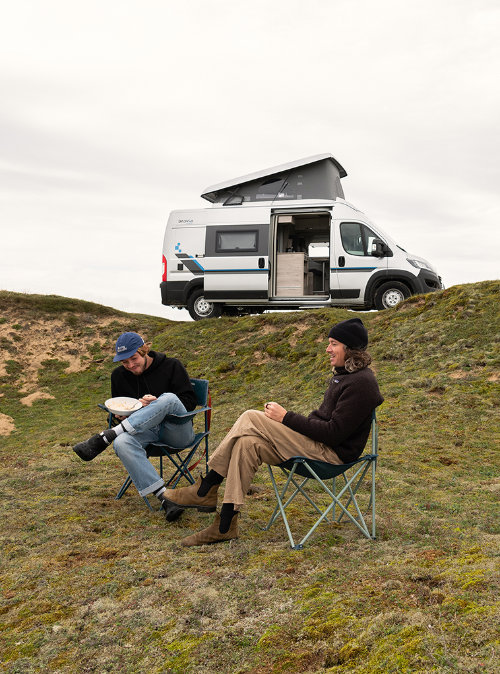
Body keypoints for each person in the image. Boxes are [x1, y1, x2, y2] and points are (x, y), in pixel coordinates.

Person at [162, 318, 384, 546]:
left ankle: (206, 488)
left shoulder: (362, 383)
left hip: (331, 455)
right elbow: (324, 422)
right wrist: (290, 423)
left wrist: (285, 418)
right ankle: (225, 525)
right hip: (316, 445)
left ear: (350, 348)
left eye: (334, 343)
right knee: (247, 443)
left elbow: (334, 434)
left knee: (250, 416)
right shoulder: (345, 375)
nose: (327, 349)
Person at [73, 332, 197, 510]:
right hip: (146, 432)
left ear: (144, 350)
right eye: (125, 362)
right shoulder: (118, 376)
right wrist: (120, 416)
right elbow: (117, 411)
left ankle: (108, 436)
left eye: (134, 358)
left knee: (168, 398)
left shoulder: (171, 366)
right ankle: (164, 497)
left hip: (176, 431)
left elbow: (190, 402)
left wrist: (158, 403)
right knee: (122, 442)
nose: (130, 365)